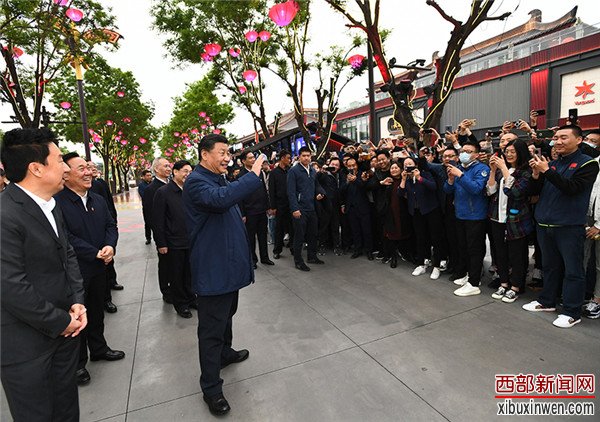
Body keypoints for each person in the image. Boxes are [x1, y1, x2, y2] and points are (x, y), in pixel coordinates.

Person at [1, 128, 87, 421]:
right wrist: (60, 321)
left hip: (65, 333)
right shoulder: (5, 214)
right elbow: (11, 287)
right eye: (60, 160)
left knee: (66, 411)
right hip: (25, 347)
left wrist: (77, 301)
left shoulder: (50, 205)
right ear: (36, 168)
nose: (67, 168)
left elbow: (67, 254)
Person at [183, 134, 265, 416]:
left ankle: (225, 353)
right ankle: (211, 387)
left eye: (228, 152)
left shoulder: (218, 179)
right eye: (222, 152)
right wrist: (253, 175)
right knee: (211, 331)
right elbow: (220, 200)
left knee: (227, 314)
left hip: (228, 267)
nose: (227, 157)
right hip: (213, 269)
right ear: (204, 154)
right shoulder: (197, 182)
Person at [55, 153, 125, 385]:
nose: (88, 172)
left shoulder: (97, 199)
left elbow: (110, 225)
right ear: (66, 174)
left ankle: (99, 348)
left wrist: (109, 246)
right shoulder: (57, 203)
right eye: (81, 169)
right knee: (77, 316)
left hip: (98, 267)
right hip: (73, 272)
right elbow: (65, 236)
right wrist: (93, 252)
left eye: (89, 167)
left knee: (96, 311)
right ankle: (77, 364)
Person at [523, 125, 599, 328]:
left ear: (579, 140)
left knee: (573, 270)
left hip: (569, 225)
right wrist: (537, 175)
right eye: (556, 137)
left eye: (564, 137)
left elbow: (572, 189)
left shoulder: (588, 164)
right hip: (544, 223)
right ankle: (547, 301)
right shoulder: (553, 164)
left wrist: (547, 171)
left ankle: (572, 311)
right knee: (549, 266)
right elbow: (534, 191)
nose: (558, 141)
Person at [486, 140, 534, 303]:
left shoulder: (526, 171)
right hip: (497, 217)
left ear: (521, 152)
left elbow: (515, 192)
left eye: (513, 151)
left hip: (516, 219)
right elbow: (490, 191)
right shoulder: (501, 170)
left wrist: (504, 169)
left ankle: (516, 286)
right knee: (500, 253)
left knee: (517, 255)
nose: (509, 154)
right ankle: (503, 282)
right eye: (507, 151)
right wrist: (493, 171)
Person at [444, 140, 490, 296]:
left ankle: (474, 282)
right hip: (460, 214)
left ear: (476, 155)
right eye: (463, 151)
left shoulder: (482, 169)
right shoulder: (458, 168)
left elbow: (476, 189)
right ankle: (468, 275)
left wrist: (460, 175)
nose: (464, 153)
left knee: (474, 249)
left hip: (475, 215)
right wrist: (451, 180)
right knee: (463, 247)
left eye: (469, 151)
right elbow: (447, 190)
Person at [153, 160, 196, 318]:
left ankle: (191, 298)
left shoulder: (190, 191)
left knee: (190, 273)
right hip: (173, 242)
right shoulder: (163, 192)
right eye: (185, 171)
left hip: (190, 240)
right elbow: (158, 220)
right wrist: (161, 243)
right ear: (175, 172)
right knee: (176, 275)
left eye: (190, 172)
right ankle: (181, 304)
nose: (188, 174)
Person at [400, 157, 445, 279]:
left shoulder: (425, 174)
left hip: (431, 210)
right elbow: (400, 193)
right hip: (416, 212)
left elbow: (433, 187)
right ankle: (422, 263)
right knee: (420, 238)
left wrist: (419, 178)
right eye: (405, 165)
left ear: (416, 165)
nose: (408, 166)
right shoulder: (406, 178)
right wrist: (403, 179)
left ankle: (437, 266)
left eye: (410, 164)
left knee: (435, 238)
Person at [88, 160, 122, 314]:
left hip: (104, 231)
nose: (91, 170)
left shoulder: (100, 184)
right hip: (89, 245)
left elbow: (108, 202)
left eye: (93, 167)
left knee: (108, 262)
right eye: (88, 167)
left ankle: (110, 289)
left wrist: (113, 219)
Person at [287, 146, 326, 271]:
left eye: (308, 156)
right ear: (299, 157)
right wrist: (295, 209)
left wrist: (321, 192)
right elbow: (291, 192)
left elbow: (316, 185)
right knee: (299, 236)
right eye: (303, 155)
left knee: (312, 234)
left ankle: (312, 256)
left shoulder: (313, 170)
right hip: (300, 208)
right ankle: (298, 261)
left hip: (311, 207)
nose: (306, 158)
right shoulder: (293, 171)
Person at [143, 157, 173, 303]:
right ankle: (166, 291)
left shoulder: (172, 185)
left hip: (177, 233)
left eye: (169, 166)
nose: (169, 168)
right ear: (156, 169)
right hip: (164, 234)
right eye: (165, 166)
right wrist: (160, 240)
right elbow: (150, 216)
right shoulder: (151, 189)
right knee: (165, 264)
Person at [238, 150, 274, 268]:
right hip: (249, 212)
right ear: (243, 161)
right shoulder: (240, 175)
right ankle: (253, 260)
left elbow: (264, 190)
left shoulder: (259, 172)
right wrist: (242, 214)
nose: (253, 159)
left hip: (261, 210)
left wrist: (268, 206)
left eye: (253, 157)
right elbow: (239, 196)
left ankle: (265, 257)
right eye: (250, 158)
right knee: (251, 238)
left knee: (263, 235)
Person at [341, 157, 374, 260]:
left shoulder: (363, 174)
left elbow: (365, 187)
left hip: (363, 207)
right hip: (351, 208)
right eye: (349, 166)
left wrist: (355, 180)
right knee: (355, 231)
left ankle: (369, 251)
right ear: (346, 167)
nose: (352, 167)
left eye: (353, 165)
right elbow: (341, 191)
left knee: (367, 230)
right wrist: (347, 182)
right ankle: (357, 250)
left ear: (357, 165)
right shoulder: (344, 176)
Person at [268, 150, 293, 259]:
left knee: (292, 228)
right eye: (288, 158)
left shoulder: (290, 171)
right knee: (279, 228)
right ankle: (277, 250)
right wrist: (273, 206)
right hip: (279, 205)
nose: (289, 160)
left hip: (291, 204)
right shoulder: (274, 173)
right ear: (282, 158)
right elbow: (271, 191)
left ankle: (293, 247)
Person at [138, 169, 153, 244]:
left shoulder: (153, 183)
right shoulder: (141, 185)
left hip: (155, 206)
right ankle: (148, 238)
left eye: (150, 175)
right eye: (147, 175)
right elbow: (143, 195)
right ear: (143, 177)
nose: (149, 177)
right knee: (147, 223)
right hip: (147, 207)